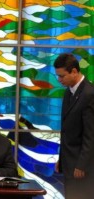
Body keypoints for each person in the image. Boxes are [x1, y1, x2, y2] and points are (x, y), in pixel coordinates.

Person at [53, 53, 94, 199]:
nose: (59, 80)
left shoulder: (89, 94)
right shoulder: (68, 92)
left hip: (82, 167)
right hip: (69, 162)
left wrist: (82, 165)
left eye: (62, 76)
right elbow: (66, 130)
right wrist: (61, 159)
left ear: (74, 71)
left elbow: (90, 135)